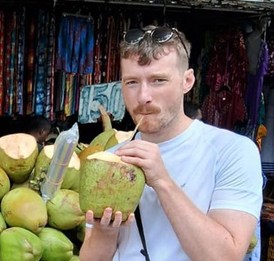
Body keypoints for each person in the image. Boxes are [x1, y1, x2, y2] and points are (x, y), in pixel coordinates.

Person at [80, 26, 262, 261]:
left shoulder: (233, 152)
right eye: (132, 82)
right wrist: (104, 231)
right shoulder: (114, 157)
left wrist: (163, 181)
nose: (143, 96)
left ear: (187, 81)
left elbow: (225, 256)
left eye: (158, 80)